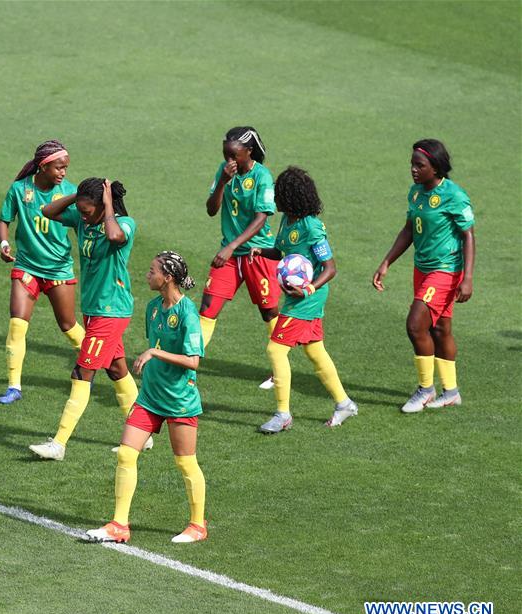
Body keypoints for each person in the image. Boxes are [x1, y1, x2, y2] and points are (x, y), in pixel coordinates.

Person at [87, 252, 207, 544]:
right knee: (127, 454)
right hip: (150, 397)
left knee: (185, 462)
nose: (146, 274)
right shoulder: (153, 308)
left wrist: (153, 353)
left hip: (179, 400)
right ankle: (119, 524)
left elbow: (193, 361)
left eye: (152, 270)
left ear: (167, 277)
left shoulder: (188, 313)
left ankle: (197, 525)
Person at [28, 179, 139, 460]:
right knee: (116, 370)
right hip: (94, 308)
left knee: (81, 374)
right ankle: (142, 435)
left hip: (111, 311)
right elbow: (48, 211)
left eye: (88, 210)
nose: (83, 215)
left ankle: (59, 444)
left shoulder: (124, 224)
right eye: (81, 209)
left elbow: (115, 237)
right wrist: (76, 196)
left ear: (104, 205)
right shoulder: (82, 217)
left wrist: (109, 207)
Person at [248, 167, 358, 433]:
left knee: (275, 350)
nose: (276, 200)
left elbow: (330, 268)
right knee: (315, 350)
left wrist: (308, 289)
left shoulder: (311, 226)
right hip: (298, 295)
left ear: (292, 197)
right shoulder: (287, 220)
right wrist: (262, 250)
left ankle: (282, 414)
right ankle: (344, 404)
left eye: (280, 195)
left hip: (308, 297)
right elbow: (283, 251)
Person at [373, 139, 475, 412]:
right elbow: (409, 229)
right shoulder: (416, 193)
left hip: (445, 270)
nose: (414, 170)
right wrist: (387, 262)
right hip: (422, 269)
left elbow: (468, 235)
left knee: (415, 325)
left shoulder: (454, 195)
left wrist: (467, 278)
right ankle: (451, 392)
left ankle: (426, 390)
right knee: (440, 329)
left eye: (420, 165)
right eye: (412, 164)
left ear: (436, 167)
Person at [0, 140, 86, 404]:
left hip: (58, 269)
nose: (63, 173)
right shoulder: (19, 190)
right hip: (27, 267)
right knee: (17, 324)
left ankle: (103, 361)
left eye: (66, 168)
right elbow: (3, 221)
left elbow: (84, 224)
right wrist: (4, 243)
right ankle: (14, 386)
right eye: (59, 167)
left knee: (68, 326)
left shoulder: (70, 193)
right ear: (44, 166)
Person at [200, 127, 280, 389]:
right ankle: (186, 365)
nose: (229, 160)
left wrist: (232, 246)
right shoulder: (224, 171)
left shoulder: (262, 177)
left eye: (233, 155)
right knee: (208, 309)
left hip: (258, 253)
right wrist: (222, 181)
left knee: (269, 312)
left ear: (249, 151)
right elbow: (212, 210)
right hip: (231, 255)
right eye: (226, 154)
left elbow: (261, 218)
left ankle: (278, 370)